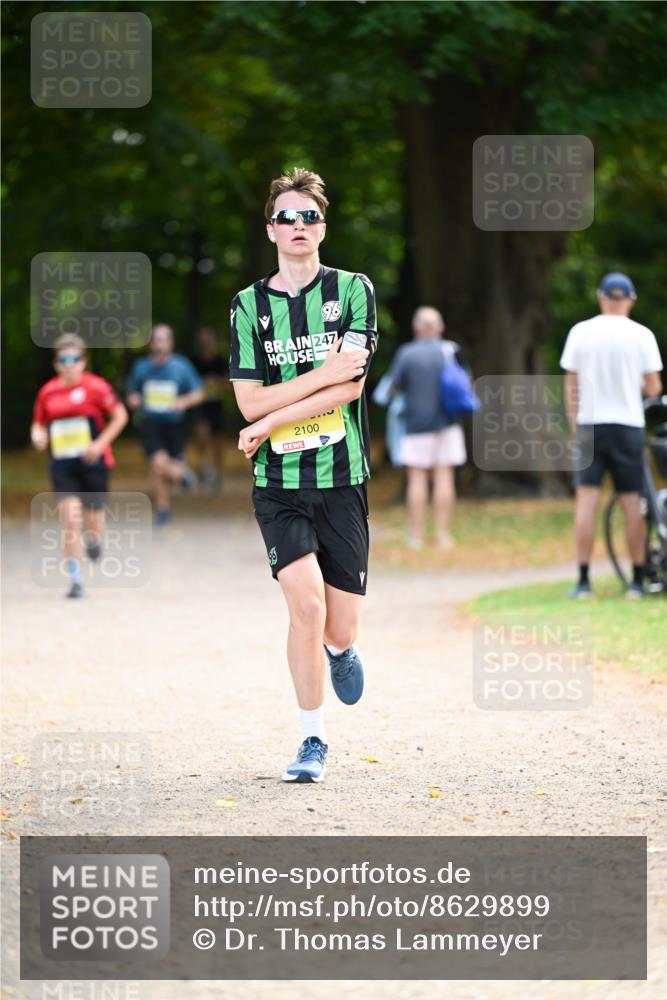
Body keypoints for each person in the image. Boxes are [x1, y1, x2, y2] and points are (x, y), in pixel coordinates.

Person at [230, 167, 376, 783]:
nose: (297, 225)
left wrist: (273, 414)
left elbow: (354, 385)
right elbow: (247, 403)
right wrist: (321, 377)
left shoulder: (353, 290)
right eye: (286, 217)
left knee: (338, 626)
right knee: (306, 610)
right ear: (270, 230)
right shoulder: (248, 306)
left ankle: (341, 652)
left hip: (342, 477)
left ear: (323, 227)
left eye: (308, 216)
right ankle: (312, 740)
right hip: (279, 487)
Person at [561, 272, 663, 599]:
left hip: (590, 423)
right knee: (632, 501)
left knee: (586, 501)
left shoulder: (581, 332)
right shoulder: (641, 335)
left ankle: (583, 580)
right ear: (631, 299)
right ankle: (636, 580)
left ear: (600, 296)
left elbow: (571, 385)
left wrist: (574, 426)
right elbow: (653, 386)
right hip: (627, 424)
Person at [30, 334, 128, 598]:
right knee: (71, 520)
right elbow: (38, 424)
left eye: (74, 359)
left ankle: (94, 540)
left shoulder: (97, 387)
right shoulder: (47, 392)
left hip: (94, 462)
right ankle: (75, 578)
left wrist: (100, 444)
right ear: (56, 364)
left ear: (83, 361)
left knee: (93, 519)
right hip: (62, 464)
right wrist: (38, 436)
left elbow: (120, 416)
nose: (69, 364)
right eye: (63, 359)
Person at [385, 306, 467, 550]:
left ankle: (416, 536)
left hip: (415, 424)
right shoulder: (451, 351)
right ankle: (442, 536)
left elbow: (393, 389)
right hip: (448, 423)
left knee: (417, 478)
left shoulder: (407, 353)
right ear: (439, 327)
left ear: (417, 327)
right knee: (444, 476)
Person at [126, 324, 204, 526]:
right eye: (156, 339)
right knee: (157, 463)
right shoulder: (141, 367)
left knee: (166, 468)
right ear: (151, 343)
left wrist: (184, 401)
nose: (160, 343)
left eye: (164, 339)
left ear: (171, 343)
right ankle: (163, 509)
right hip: (150, 422)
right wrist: (134, 399)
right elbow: (132, 393)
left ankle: (179, 475)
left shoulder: (182, 366)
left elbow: (199, 393)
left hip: (175, 425)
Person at [189, 325, 228, 494]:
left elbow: (230, 383)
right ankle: (202, 467)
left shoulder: (220, 360)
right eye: (203, 340)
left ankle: (218, 472)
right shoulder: (194, 361)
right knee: (201, 434)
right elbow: (188, 382)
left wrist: (217, 381)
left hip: (216, 405)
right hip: (200, 404)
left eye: (209, 340)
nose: (206, 343)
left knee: (218, 441)